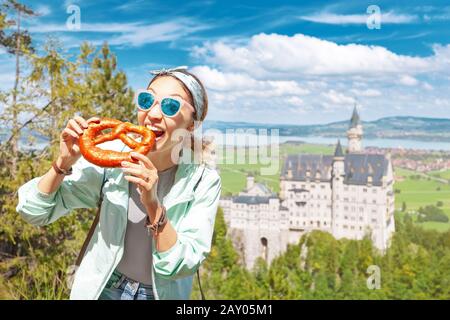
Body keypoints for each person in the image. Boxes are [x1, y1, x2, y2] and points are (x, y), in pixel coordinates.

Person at [16, 66, 221, 300]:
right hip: (102, 288)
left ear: (192, 124)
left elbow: (181, 265)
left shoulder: (203, 181)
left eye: (170, 106)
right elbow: (33, 212)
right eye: (147, 100)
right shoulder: (113, 157)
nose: (153, 114)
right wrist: (62, 163)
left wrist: (152, 204)